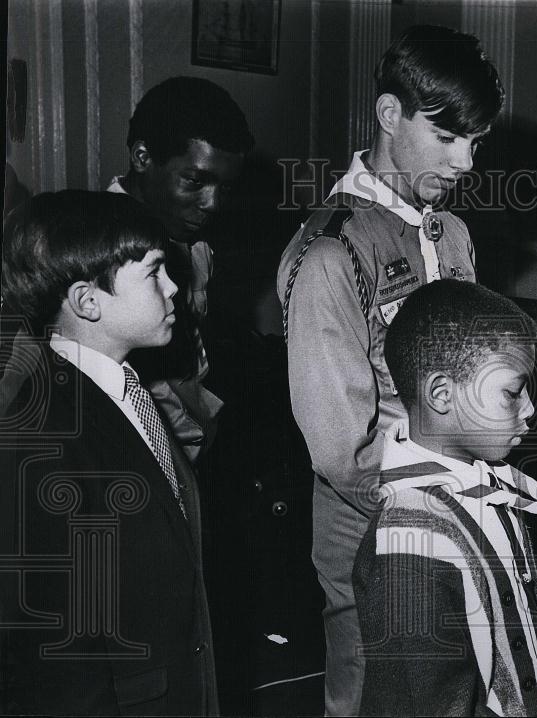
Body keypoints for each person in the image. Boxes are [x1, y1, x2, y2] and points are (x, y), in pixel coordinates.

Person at [276, 25, 504, 715]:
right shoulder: (330, 253)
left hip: (453, 506)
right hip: (375, 526)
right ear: (388, 116)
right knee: (373, 697)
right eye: (446, 136)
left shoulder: (452, 233)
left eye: (477, 142)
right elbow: (341, 447)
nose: (465, 161)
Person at [0, 191, 217, 714]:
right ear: (87, 301)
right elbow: (52, 657)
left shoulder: (124, 391)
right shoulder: (42, 438)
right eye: (154, 272)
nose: (173, 287)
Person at [352, 279, 537, 716]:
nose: (529, 408)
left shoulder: (488, 482)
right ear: (441, 395)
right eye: (513, 391)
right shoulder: (410, 548)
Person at [112, 75, 253, 462]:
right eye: (194, 181)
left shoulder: (192, 237)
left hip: (199, 444)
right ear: (143, 157)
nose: (213, 204)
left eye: (224, 188)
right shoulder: (90, 252)